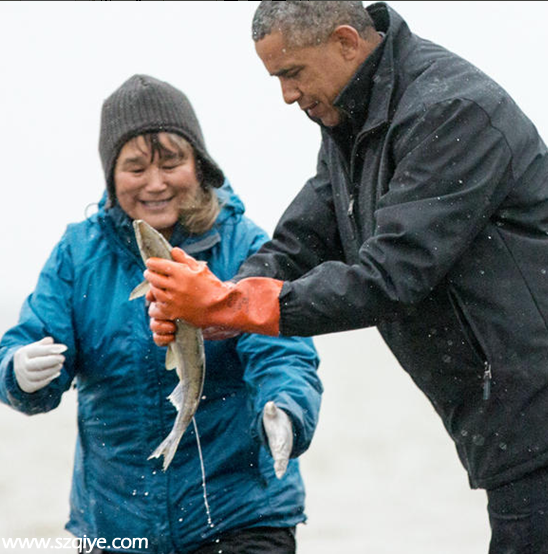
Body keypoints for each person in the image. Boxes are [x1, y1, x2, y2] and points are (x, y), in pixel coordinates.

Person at [143, 2, 548, 552]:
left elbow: (392, 276)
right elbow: (301, 240)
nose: (286, 95)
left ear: (346, 42)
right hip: (509, 427)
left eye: (292, 73)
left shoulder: (452, 111)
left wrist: (236, 309)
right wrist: (220, 299)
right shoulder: (350, 120)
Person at [0, 74, 322, 554]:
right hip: (115, 529)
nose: (156, 184)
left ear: (200, 165)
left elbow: (281, 354)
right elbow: (31, 346)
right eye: (135, 168)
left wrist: (287, 411)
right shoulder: (78, 254)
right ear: (110, 176)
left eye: (172, 162)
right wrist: (19, 372)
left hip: (240, 519)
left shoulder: (245, 247)